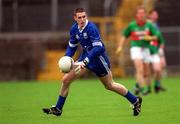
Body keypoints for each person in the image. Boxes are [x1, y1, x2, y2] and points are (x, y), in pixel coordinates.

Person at [42, 8, 142, 116]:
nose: (82, 19)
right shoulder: (74, 29)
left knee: (110, 85)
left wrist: (85, 61)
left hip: (98, 59)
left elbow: (98, 49)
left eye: (84, 16)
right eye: (79, 17)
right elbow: (72, 46)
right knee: (66, 80)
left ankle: (135, 100)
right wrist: (66, 58)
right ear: (75, 18)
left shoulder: (91, 28)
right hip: (86, 56)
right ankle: (58, 108)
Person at [116, 7, 158, 95]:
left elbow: (156, 36)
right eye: (139, 13)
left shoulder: (149, 25)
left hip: (146, 48)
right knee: (140, 69)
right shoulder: (132, 25)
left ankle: (140, 86)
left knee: (146, 71)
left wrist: (150, 37)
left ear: (145, 15)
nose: (141, 15)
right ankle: (142, 89)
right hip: (136, 48)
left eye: (143, 13)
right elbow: (124, 36)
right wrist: (120, 47)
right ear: (136, 15)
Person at [148, 9, 166, 93]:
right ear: (150, 15)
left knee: (158, 68)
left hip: (156, 50)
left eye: (156, 14)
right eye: (154, 14)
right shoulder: (148, 24)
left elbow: (159, 37)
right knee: (147, 71)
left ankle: (157, 84)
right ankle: (144, 87)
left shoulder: (156, 25)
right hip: (148, 50)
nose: (156, 16)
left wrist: (161, 47)